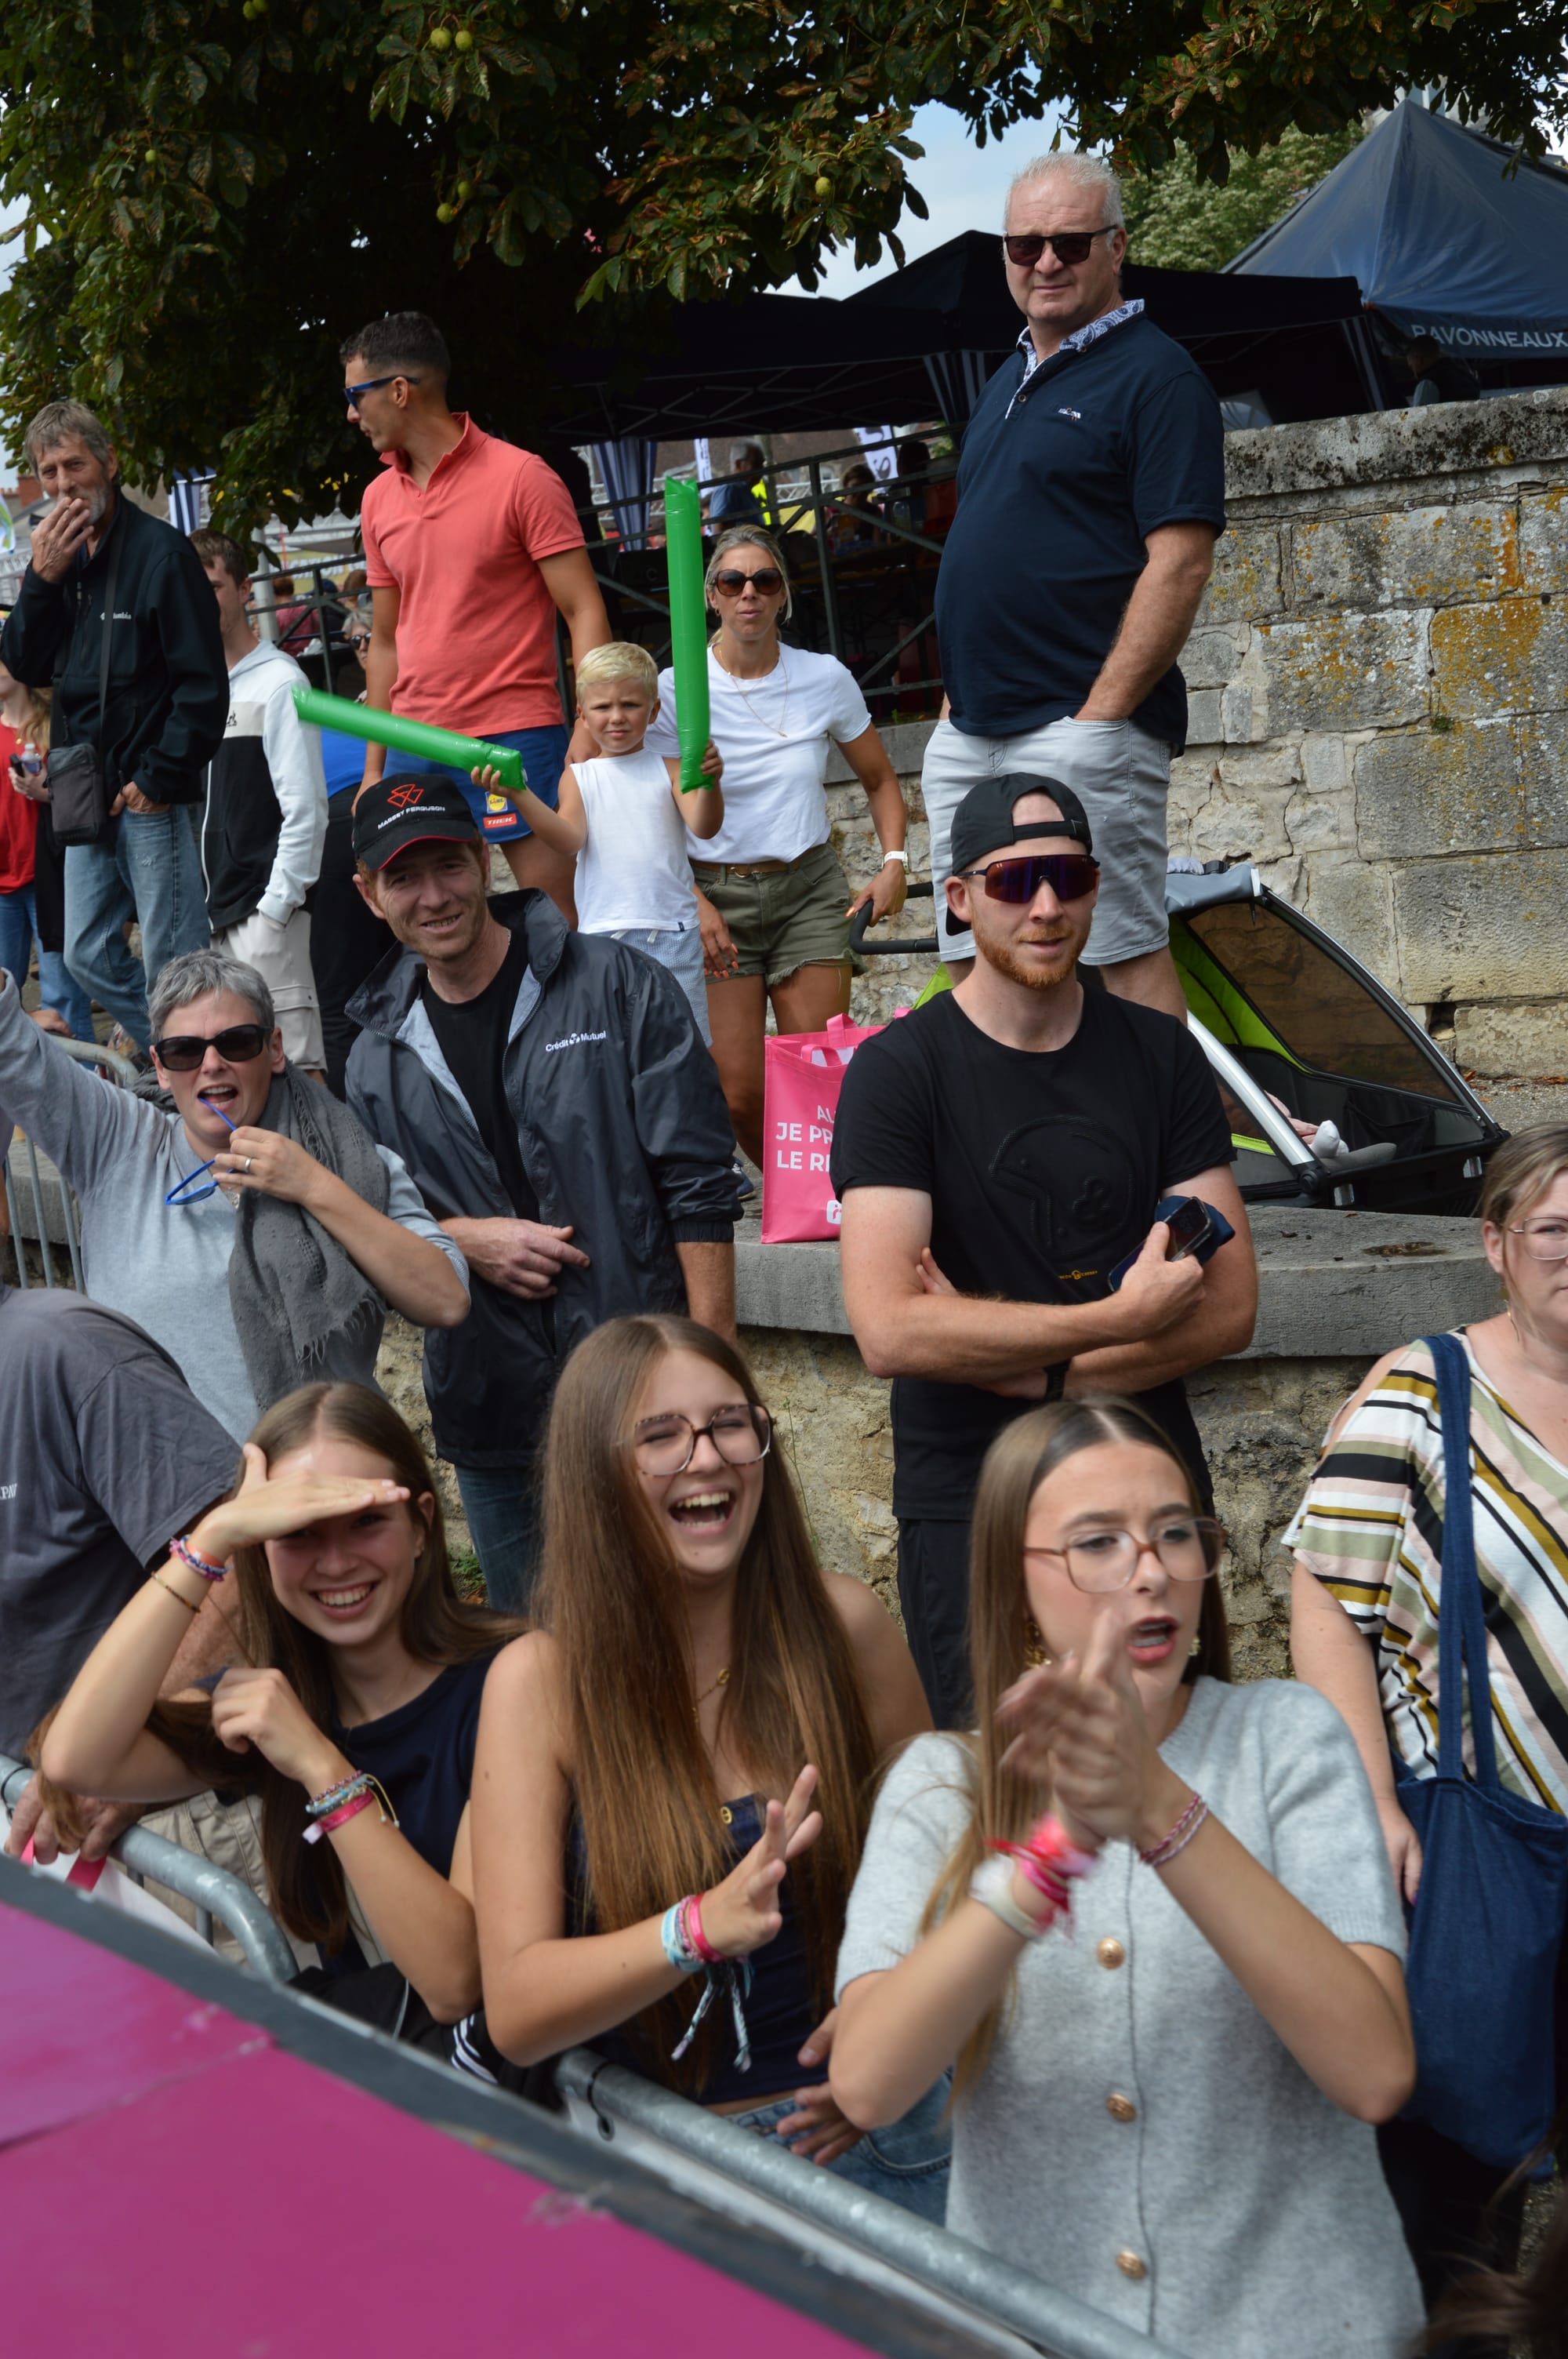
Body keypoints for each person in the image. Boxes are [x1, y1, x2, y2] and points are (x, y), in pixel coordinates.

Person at [827, 1397, 1423, 2357]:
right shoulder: (941, 1784)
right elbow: (867, 2082)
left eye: (1174, 1533)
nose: (1150, 1571)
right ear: (1011, 1579)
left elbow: (1373, 2071)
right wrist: (1048, 1858)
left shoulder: (1287, 1736)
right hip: (1037, 2329)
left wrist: (1159, 1809)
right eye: (1097, 1542)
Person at [466, 1314, 949, 2212]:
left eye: (730, 1422)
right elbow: (519, 2010)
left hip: (886, 2150)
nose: (707, 1457)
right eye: (660, 1435)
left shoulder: (845, 1628)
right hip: (665, 2174)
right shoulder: (537, 1683)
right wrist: (695, 1927)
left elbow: (947, 1886)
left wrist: (894, 2021)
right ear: (595, 1472)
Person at [830, 776, 1256, 1729]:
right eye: (1015, 881)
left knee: (1170, 1755)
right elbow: (890, 1329)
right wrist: (1119, 1319)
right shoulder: (899, 1071)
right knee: (1003, 1771)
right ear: (957, 897)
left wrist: (1043, 1376)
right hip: (973, 1497)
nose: (1047, 905)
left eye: (1070, 877)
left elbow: (1228, 1307)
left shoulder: (1159, 1053)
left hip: (1140, 1484)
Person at [1287, 1124, 1568, 2321]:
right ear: (1497, 1245)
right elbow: (1323, 1591)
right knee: (1458, 2181)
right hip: (1478, 1840)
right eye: (1555, 1230)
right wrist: (1369, 1798)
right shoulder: (1425, 1389)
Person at [346, 776, 739, 1612]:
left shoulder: (617, 983)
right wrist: (464, 1238)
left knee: (687, 1627)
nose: (433, 896)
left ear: (483, 859)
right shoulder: (373, 1056)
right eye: (403, 878)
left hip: (641, 1391)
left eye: (449, 865)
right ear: (369, 894)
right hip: (491, 1407)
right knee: (535, 1651)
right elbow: (376, 1223)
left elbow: (700, 1184)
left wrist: (713, 1371)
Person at [41, 1382, 524, 2026]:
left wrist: (321, 1767)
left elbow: (455, 1982)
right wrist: (214, 1538)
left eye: (366, 1520)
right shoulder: (282, 1698)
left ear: (421, 1525)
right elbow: (76, 1760)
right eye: (296, 1532)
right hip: (387, 2070)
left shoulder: (512, 1679)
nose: (336, 1562)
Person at [922, 152, 1225, 1024]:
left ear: (1116, 246)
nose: (1045, 261)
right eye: (1025, 244)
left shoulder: (1158, 376)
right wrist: (949, 709)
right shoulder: (1006, 379)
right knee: (976, 964)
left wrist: (1099, 720)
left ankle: (1175, 1120)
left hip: (1078, 726)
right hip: (970, 732)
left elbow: (1180, 561)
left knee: (1123, 957)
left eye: (1070, 242)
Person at [0, 947, 469, 1445]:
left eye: (237, 1042)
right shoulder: (118, 1143)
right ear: (160, 1066)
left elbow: (445, 1300)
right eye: (185, 1051)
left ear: (274, 1049)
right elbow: (15, 1052)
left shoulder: (347, 1161)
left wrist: (311, 1185)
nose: (212, 1064)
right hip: (160, 1485)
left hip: (321, 1477)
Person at [0, 1152, 238, 1866]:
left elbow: (248, 1561)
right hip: (33, 1838)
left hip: (159, 1839)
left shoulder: (66, 1352)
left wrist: (125, 1751)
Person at [644, 527, 909, 1166]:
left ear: (783, 594)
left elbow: (880, 780)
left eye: (765, 581)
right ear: (711, 595)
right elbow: (652, 812)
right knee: (738, 1090)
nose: (749, 594)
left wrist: (895, 862)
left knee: (819, 1077)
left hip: (807, 891)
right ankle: (790, 1192)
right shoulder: (676, 689)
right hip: (716, 896)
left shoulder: (823, 676)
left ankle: (831, 1198)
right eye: (732, 581)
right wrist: (691, 899)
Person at [342, 309, 612, 912]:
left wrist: (588, 725)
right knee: (425, 916)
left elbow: (582, 609)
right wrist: (374, 769)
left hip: (513, 731)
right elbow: (383, 641)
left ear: (400, 390)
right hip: (412, 738)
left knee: (559, 918)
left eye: (356, 396)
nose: (352, 414)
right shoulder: (378, 497)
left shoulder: (522, 477)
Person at [0, 400, 227, 1051]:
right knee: (84, 953)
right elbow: (22, 662)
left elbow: (204, 686)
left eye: (75, 464)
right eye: (49, 472)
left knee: (174, 960)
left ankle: (190, 1068)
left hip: (147, 794)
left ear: (109, 461)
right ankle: (175, 1053)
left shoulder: (162, 553)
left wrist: (157, 778)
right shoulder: (60, 559)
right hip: (83, 795)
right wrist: (41, 580)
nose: (63, 485)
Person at [479, 640, 722, 1043]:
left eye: (630, 704)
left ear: (654, 710)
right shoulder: (579, 777)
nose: (617, 717)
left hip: (672, 932)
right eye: (603, 707)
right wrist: (520, 795)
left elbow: (704, 826)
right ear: (582, 714)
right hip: (604, 936)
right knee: (614, 1049)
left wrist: (711, 785)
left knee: (683, 1046)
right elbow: (567, 840)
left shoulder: (672, 769)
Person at [191, 530, 328, 1078]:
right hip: (212, 919)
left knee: (298, 1075)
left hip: (262, 913)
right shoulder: (193, 690)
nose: (201, 601)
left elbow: (306, 809)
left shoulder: (280, 682)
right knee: (240, 1080)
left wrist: (276, 910)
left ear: (245, 588)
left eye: (212, 586)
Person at [0, 669, 93, 1038]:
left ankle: (80, 1073)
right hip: (3, 882)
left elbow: (84, 797)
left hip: (50, 879)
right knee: (3, 998)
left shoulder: (54, 728)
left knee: (63, 996)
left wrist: (45, 793)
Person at [1405, 336, 1481, 409]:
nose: (1413, 372)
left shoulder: (1427, 383)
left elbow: (1420, 415)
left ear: (1418, 359)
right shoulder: (1467, 377)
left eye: (1411, 366)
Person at [708, 439, 769, 527]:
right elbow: (720, 530)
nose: (761, 469)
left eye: (762, 464)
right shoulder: (729, 490)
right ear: (738, 464)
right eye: (756, 463)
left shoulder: (746, 492)